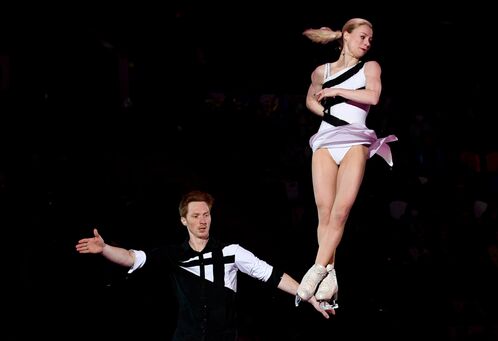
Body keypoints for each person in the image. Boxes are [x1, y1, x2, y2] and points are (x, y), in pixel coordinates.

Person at [76, 190, 334, 341]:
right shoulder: (173, 254)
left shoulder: (232, 253)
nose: (202, 221)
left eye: (206, 215)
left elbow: (272, 275)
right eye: (196, 216)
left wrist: (307, 294)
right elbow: (133, 258)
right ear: (183, 221)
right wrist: (106, 249)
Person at [295, 18, 397, 309]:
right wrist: (327, 115)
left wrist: (337, 93)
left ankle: (315, 270)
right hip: (327, 140)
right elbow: (311, 100)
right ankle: (329, 273)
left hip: (355, 139)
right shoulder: (321, 71)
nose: (367, 42)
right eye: (363, 37)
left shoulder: (370, 67)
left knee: (341, 210)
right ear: (346, 37)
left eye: (370, 39)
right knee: (324, 213)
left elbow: (373, 96)